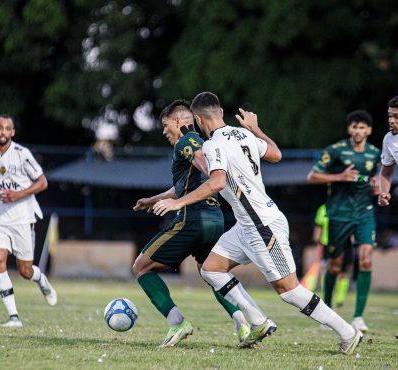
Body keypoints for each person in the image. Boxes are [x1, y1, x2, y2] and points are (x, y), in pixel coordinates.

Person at [153, 92, 362, 355]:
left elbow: (216, 181)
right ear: (220, 113)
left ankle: (347, 332)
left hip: (263, 226)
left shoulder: (214, 145)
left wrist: (178, 203)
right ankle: (259, 321)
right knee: (212, 269)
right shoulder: (243, 135)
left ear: (197, 118)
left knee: (289, 291)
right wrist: (255, 128)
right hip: (246, 225)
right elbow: (275, 154)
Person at [132, 100, 248, 348]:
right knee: (212, 274)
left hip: (193, 219)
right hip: (215, 219)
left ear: (176, 121)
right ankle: (243, 324)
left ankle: (177, 322)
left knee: (141, 268)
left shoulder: (188, 140)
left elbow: (206, 168)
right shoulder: (201, 142)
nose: (164, 131)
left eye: (165, 125)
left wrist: (207, 170)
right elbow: (183, 185)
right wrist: (153, 200)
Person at [0, 115, 57, 328]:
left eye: (7, 129)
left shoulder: (22, 154)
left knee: (25, 271)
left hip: (22, 217)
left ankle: (40, 279)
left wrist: (18, 194)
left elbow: (42, 182)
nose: (3, 132)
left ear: (12, 132)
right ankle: (14, 317)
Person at [307, 110, 380, 333]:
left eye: (362, 127)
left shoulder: (375, 154)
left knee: (366, 260)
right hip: (339, 214)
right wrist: (339, 177)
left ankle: (358, 316)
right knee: (337, 265)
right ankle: (327, 312)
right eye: (354, 127)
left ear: (369, 130)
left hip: (364, 214)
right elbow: (312, 176)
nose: (358, 131)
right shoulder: (335, 151)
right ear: (349, 129)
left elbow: (377, 179)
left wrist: (379, 190)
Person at [378, 96, 398, 207]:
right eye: (390, 116)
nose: (391, 121)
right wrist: (384, 192)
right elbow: (386, 172)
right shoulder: (389, 139)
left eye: (396, 117)